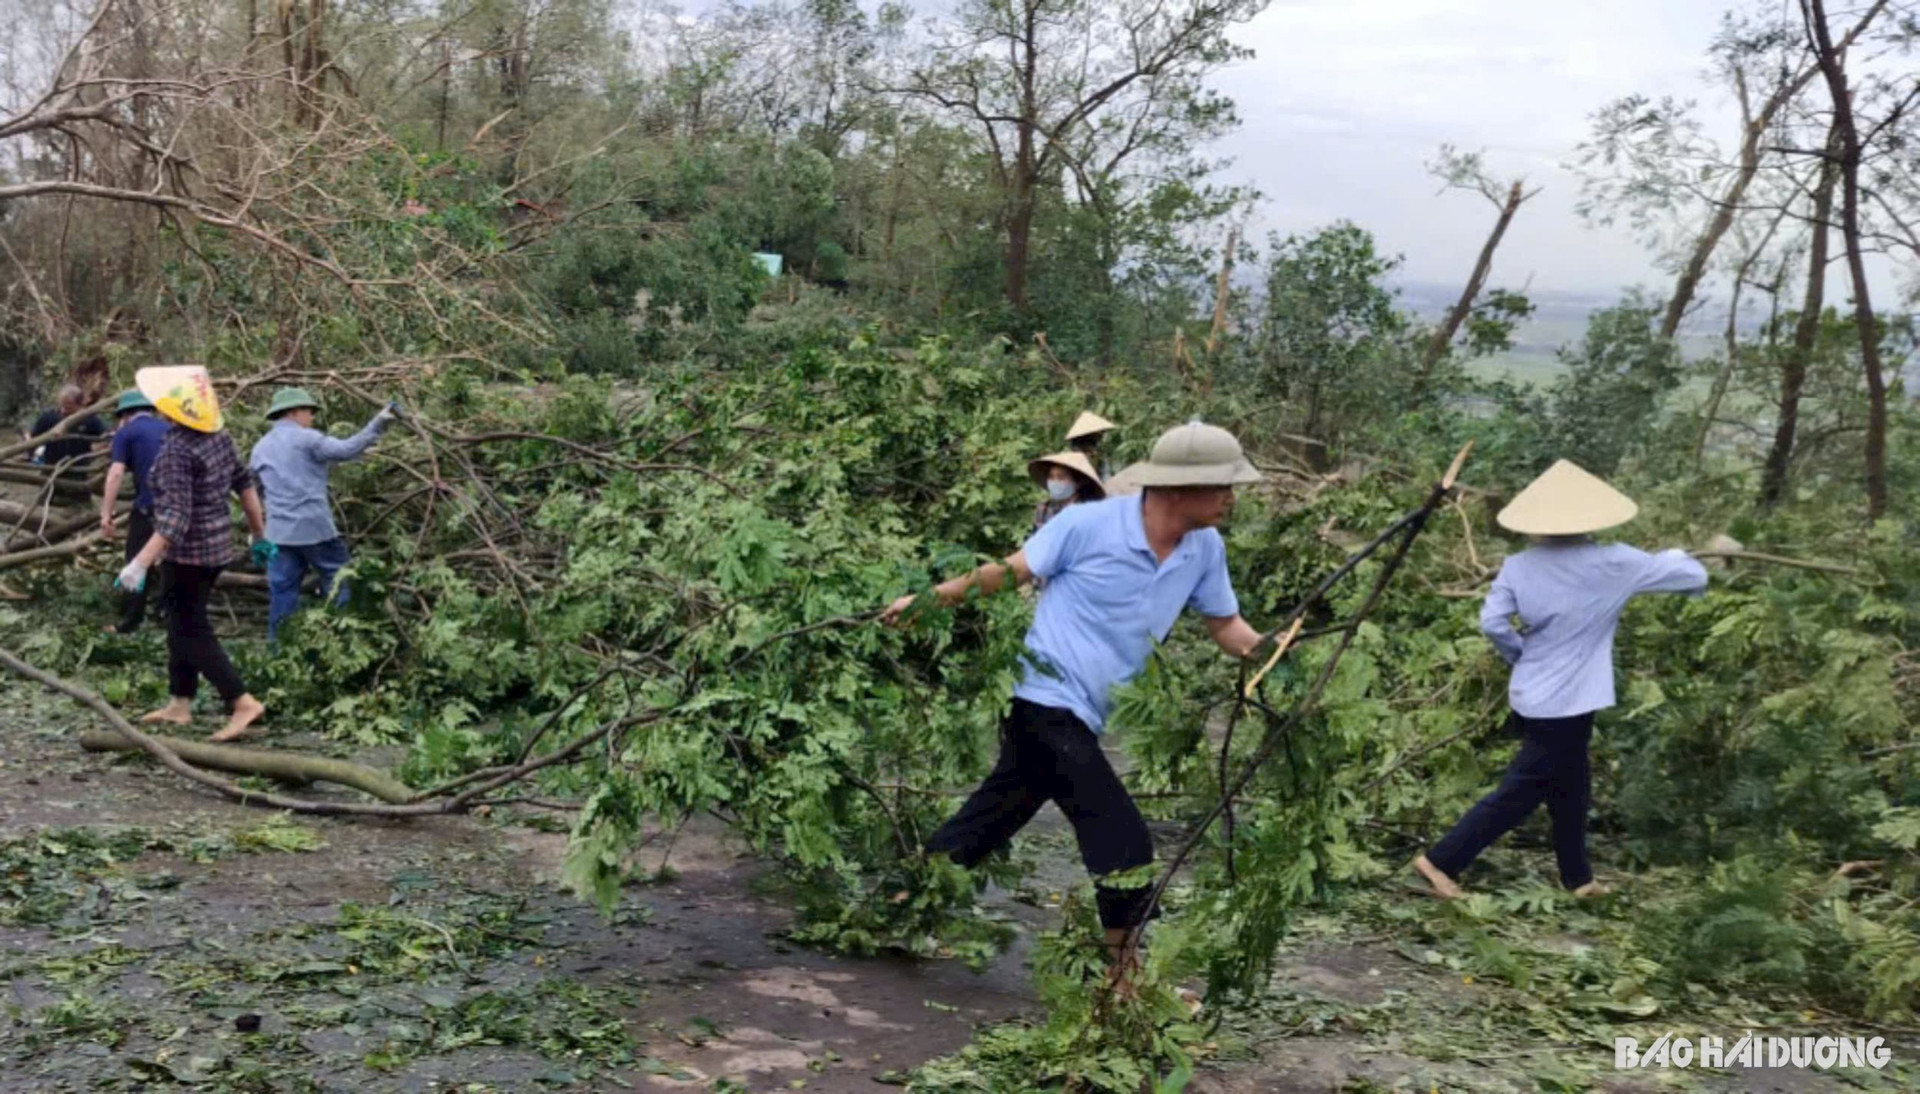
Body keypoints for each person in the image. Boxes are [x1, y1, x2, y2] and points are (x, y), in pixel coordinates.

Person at [881, 420, 1267, 982]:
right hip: (1043, 698)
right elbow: (1006, 573)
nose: (1233, 497)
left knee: (991, 817)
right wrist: (924, 601)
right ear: (1179, 489)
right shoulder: (1088, 525)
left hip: (1087, 713)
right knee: (1121, 835)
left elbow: (1226, 625)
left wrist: (1275, 653)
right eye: (1224, 485)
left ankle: (893, 906)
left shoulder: (1204, 548)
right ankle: (1123, 978)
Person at [1413, 460, 1713, 901]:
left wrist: (1523, 655)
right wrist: (1686, 554)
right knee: (1521, 792)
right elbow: (1692, 576)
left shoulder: (1518, 566)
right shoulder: (1617, 563)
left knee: (1572, 786)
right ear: (1592, 518)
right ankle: (1440, 861)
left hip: (1531, 694)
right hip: (1570, 701)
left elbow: (1494, 623)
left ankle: (1579, 879)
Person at [115, 365, 272, 742]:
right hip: (216, 548)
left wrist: (138, 563)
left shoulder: (177, 452)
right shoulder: (219, 436)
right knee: (178, 619)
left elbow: (174, 520)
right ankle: (180, 701)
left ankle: (241, 700)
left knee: (190, 627)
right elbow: (243, 483)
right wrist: (258, 534)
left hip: (189, 555)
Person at [248, 388, 398, 642]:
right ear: (294, 412)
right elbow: (347, 450)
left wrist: (258, 533)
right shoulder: (309, 440)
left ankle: (279, 652)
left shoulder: (260, 448)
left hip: (279, 535)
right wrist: (380, 422)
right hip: (314, 529)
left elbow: (253, 492)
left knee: (282, 594)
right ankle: (341, 640)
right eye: (309, 412)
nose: (312, 418)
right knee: (340, 581)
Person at [99, 390, 171, 634]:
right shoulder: (170, 428)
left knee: (137, 560)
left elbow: (116, 473)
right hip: (179, 506)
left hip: (149, 506)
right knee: (171, 559)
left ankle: (130, 622)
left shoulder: (126, 432)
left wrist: (105, 514)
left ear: (125, 415)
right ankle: (165, 613)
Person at [27, 384, 106, 470]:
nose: (63, 411)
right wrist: (30, 453)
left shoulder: (90, 420)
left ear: (80, 405)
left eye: (68, 408)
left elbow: (104, 438)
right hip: (50, 467)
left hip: (79, 469)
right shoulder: (48, 417)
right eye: (62, 406)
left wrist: (96, 450)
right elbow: (33, 439)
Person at [1030, 451, 1105, 532]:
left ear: (1078, 483)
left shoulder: (1089, 512)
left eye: (1061, 477)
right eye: (1051, 477)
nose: (1055, 482)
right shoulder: (1043, 509)